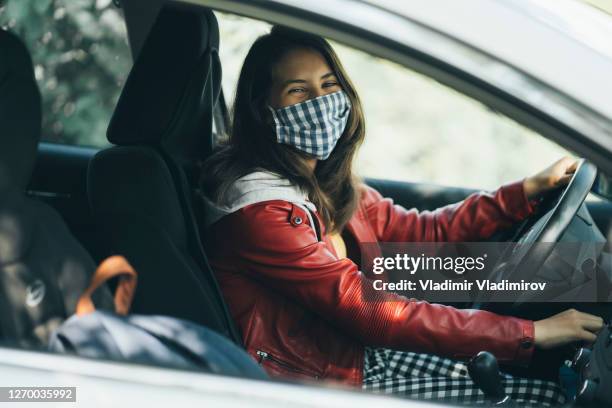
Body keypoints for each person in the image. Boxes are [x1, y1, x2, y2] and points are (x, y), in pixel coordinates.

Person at [199, 26, 603, 406]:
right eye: (297, 92)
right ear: (263, 109)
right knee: (547, 400)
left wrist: (521, 194)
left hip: (353, 354)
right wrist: (531, 333)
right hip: (318, 381)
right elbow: (371, 310)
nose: (320, 104)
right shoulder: (262, 210)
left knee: (545, 389)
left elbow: (419, 234)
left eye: (328, 86)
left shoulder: (322, 179)